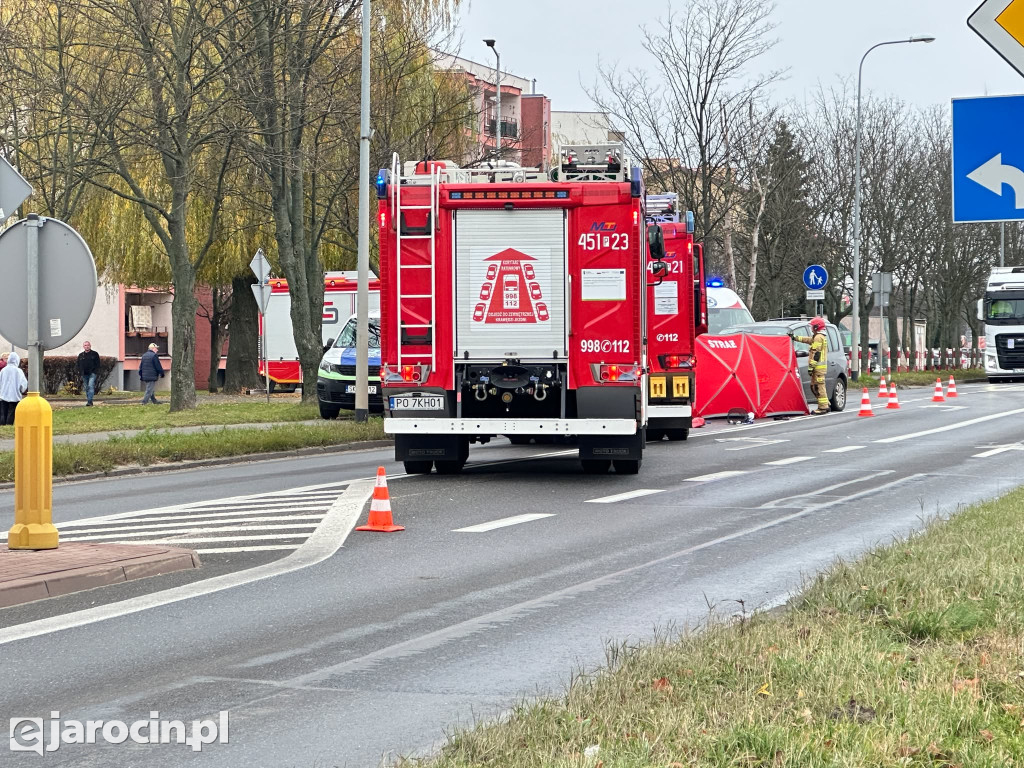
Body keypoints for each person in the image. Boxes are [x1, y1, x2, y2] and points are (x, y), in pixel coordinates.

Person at [790, 317, 830, 415]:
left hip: (818, 368)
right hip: (818, 368)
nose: (811, 328)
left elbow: (816, 353)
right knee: (814, 386)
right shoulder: (818, 336)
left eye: (812, 326)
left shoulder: (818, 337)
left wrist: (811, 367)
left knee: (818, 387)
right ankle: (825, 404)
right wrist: (795, 337)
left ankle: (823, 407)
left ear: (817, 327)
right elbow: (808, 340)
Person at [0, 351, 28, 425]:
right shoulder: (18, 371)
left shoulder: (3, 370)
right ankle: (9, 424)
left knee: (3, 413)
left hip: (3, 395)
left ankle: (2, 425)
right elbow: (23, 384)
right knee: (11, 412)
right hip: (14, 395)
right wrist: (21, 390)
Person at [77, 341, 101, 406]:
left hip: (92, 374)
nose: (86, 346)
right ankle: (89, 401)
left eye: (88, 345)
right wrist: (80, 372)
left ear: (90, 346)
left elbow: (98, 364)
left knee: (90, 386)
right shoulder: (81, 355)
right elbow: (78, 365)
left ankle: (89, 401)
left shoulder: (94, 354)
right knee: (87, 388)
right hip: (84, 374)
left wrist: (95, 371)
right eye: (85, 345)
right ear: (83, 346)